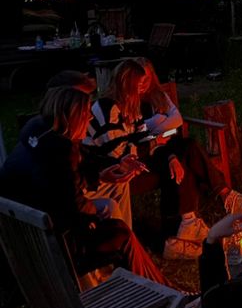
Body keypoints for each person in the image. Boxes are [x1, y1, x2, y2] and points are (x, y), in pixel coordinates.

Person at [83, 58, 242, 257]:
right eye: (139, 84)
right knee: (184, 152)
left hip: (133, 164)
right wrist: (160, 147)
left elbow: (144, 138)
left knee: (184, 152)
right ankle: (201, 213)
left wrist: (168, 155)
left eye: (145, 83)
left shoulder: (134, 107)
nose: (142, 89)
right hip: (111, 177)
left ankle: (192, 221)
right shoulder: (107, 108)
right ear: (128, 84)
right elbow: (120, 155)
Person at [0, 85, 169, 284]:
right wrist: (93, 216)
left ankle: (160, 287)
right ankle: (162, 293)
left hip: (28, 237)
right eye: (85, 114)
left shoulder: (38, 138)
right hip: (58, 248)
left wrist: (102, 175)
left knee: (110, 214)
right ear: (73, 117)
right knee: (121, 232)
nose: (89, 119)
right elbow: (73, 208)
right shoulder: (60, 154)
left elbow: (63, 184)